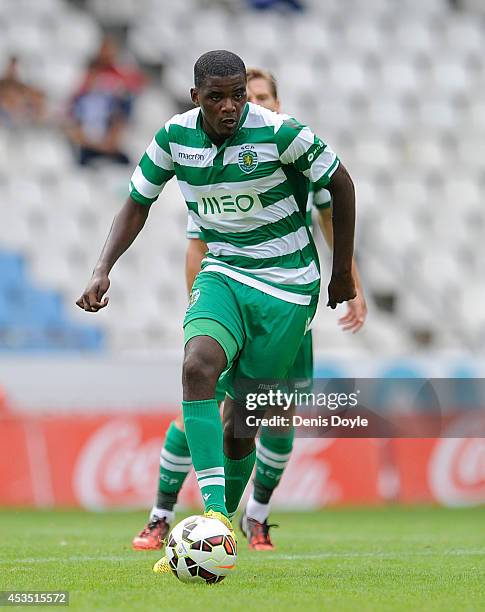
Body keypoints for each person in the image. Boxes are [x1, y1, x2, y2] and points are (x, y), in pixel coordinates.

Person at [76, 50, 356, 574]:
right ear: (195, 98)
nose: (229, 107)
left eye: (238, 96)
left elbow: (342, 183)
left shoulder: (281, 133)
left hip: (286, 288)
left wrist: (341, 273)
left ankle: (230, 515)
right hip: (224, 272)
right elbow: (138, 202)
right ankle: (210, 518)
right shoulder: (173, 138)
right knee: (196, 367)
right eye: (217, 97)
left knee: (242, 427)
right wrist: (101, 267)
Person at [0, 56, 45, 126]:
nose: (12, 70)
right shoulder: (3, 84)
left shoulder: (22, 88)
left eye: (14, 68)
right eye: (11, 67)